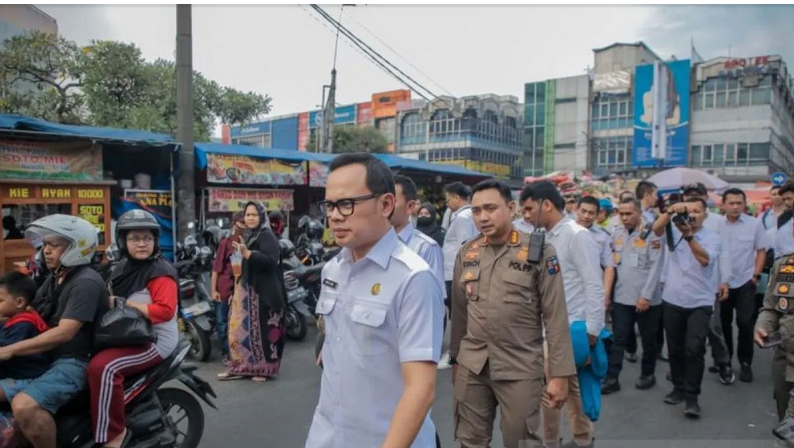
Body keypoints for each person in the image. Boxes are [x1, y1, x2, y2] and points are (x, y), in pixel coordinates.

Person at [306, 153, 443, 448]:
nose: (335, 215)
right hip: (328, 436)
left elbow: (420, 389)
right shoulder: (333, 269)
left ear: (385, 204)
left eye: (347, 203)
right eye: (329, 205)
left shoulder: (413, 277)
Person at [449, 179, 574, 448]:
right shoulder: (467, 253)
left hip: (519, 366)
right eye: (477, 210)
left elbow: (556, 317)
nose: (483, 217)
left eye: (491, 208)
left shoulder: (539, 252)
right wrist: (456, 361)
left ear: (511, 208)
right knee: (470, 441)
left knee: (520, 441)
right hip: (473, 365)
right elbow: (459, 313)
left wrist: (560, 376)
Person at [0, 214, 108, 448]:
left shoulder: (85, 282)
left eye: (54, 245)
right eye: (46, 244)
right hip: (48, 355)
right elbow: (29, 309)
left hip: (73, 362)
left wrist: (10, 350)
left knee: (24, 405)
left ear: (76, 246)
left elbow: (64, 332)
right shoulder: (56, 277)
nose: (46, 251)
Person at [520, 181, 604, 448]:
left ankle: (554, 441)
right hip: (548, 327)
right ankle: (580, 438)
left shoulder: (577, 235)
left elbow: (593, 283)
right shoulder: (542, 236)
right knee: (567, 386)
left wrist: (593, 329)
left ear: (547, 205)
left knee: (553, 389)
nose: (526, 216)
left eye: (530, 209)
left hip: (571, 327)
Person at [87, 209, 179, 447]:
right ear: (123, 242)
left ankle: (114, 434)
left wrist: (126, 303)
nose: (142, 244)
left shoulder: (161, 273)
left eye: (147, 238)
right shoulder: (121, 267)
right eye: (134, 239)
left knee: (104, 368)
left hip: (153, 339)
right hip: (126, 333)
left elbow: (164, 312)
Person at [654, 198, 721, 418]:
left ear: (705, 215)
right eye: (688, 211)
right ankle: (678, 388)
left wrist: (689, 235)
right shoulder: (672, 232)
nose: (691, 215)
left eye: (696, 211)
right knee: (674, 349)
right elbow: (655, 229)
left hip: (699, 301)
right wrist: (670, 212)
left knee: (694, 348)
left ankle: (692, 397)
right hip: (673, 298)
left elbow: (704, 259)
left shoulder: (713, 239)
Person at [601, 198, 664, 395]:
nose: (625, 217)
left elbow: (656, 268)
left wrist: (645, 296)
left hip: (646, 299)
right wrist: (608, 295)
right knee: (619, 338)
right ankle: (612, 378)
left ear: (639, 213)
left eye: (629, 214)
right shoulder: (616, 234)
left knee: (648, 339)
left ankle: (648, 374)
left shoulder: (651, 235)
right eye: (622, 214)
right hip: (622, 297)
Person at [219, 201, 287, 382]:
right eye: (247, 215)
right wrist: (235, 289)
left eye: (254, 215)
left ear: (261, 217)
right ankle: (238, 366)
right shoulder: (248, 236)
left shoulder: (266, 236)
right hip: (245, 291)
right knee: (236, 330)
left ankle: (262, 369)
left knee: (262, 333)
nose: (250, 218)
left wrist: (248, 253)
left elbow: (271, 262)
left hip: (263, 293)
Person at [719, 188, 771, 383]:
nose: (735, 207)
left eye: (738, 203)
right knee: (722, 323)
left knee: (745, 322)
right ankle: (725, 360)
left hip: (745, 281)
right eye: (731, 203)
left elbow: (761, 250)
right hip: (722, 282)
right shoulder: (717, 225)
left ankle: (745, 362)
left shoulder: (754, 224)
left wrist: (755, 276)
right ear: (723, 205)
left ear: (744, 204)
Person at [755, 253, 794, 422]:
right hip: (785, 362)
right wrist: (763, 326)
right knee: (784, 420)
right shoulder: (784, 265)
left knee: (787, 437)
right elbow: (771, 307)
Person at [442, 182, 478, 359]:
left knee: (457, 314)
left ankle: (456, 353)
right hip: (452, 271)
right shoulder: (462, 215)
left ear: (457, 198)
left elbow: (465, 244)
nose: (447, 203)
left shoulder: (463, 217)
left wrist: (463, 274)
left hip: (454, 272)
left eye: (448, 199)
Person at [0, 272, 50, 396]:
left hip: (27, 377)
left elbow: (4, 351)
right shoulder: (16, 317)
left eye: (0, 301)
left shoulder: (24, 324)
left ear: (19, 302)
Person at [211, 211, 245, 363]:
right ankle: (227, 354)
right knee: (222, 323)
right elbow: (216, 270)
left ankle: (238, 354)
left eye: (245, 224)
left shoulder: (247, 244)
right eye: (241, 223)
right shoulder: (226, 244)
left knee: (239, 325)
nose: (243, 226)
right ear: (234, 224)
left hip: (240, 290)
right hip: (224, 290)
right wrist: (214, 290)